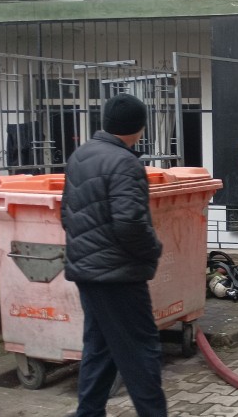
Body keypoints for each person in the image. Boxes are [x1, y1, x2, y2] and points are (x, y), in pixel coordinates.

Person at [61, 93, 167, 417]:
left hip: (86, 271)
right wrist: (153, 250)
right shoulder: (125, 163)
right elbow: (130, 223)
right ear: (139, 128)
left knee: (100, 349)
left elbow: (66, 213)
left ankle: (88, 412)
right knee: (141, 353)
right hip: (118, 275)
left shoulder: (81, 155)